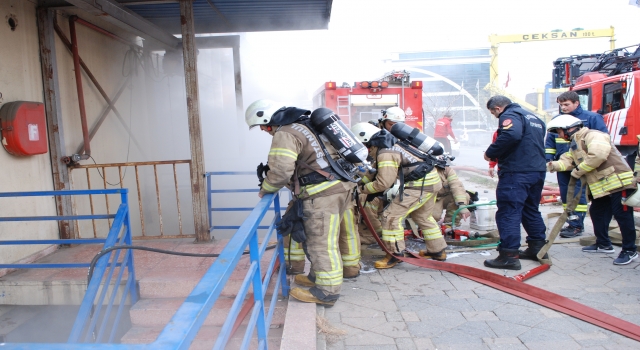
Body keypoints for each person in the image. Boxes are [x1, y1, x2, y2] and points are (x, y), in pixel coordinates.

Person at [245, 100, 359, 306]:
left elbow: (280, 171)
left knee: (321, 243)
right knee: (324, 238)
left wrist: (266, 189)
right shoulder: (306, 125)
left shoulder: (285, 133)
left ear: (269, 118)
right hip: (339, 188)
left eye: (263, 125)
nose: (263, 130)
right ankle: (317, 277)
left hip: (322, 194)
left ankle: (326, 292)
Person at [352, 109, 447, 269]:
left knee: (390, 217)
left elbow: (383, 183)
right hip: (431, 181)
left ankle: (395, 254)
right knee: (423, 216)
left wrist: (361, 189)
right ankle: (437, 251)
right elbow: (374, 172)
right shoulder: (389, 144)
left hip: (419, 186)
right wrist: (358, 182)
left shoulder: (385, 152)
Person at [547, 115, 638, 265]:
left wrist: (578, 171)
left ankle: (630, 250)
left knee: (622, 216)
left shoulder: (593, 135)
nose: (559, 135)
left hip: (619, 183)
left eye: (559, 131)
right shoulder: (576, 144)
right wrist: (550, 166)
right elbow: (566, 161)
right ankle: (603, 244)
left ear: (568, 129)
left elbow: (598, 155)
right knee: (597, 213)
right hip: (604, 187)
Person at [483, 95, 547, 270]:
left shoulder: (509, 115)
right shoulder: (534, 118)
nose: (495, 116)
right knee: (530, 209)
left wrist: (491, 153)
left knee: (508, 212)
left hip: (517, 172)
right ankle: (538, 248)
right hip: (537, 171)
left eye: (493, 113)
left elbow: (512, 134)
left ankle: (509, 256)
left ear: (497, 108)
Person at [545, 91, 608, 238]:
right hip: (563, 164)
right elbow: (550, 143)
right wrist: (549, 158)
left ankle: (577, 225)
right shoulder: (557, 120)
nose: (564, 108)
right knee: (566, 195)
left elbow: (603, 141)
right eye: (561, 105)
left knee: (579, 195)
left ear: (576, 103)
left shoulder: (591, 118)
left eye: (566, 104)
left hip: (584, 165)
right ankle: (572, 222)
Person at [432, 158, 471, 226]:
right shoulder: (422, 169)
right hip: (427, 200)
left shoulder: (446, 170)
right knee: (433, 218)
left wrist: (462, 205)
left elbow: (457, 186)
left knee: (464, 196)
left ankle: (450, 225)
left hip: (443, 198)